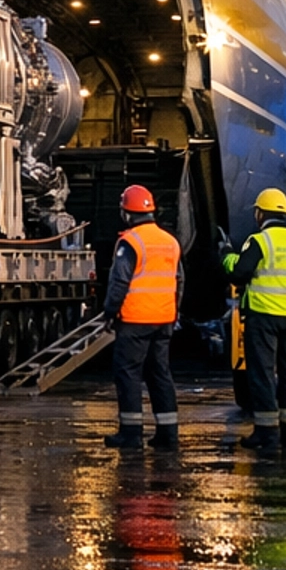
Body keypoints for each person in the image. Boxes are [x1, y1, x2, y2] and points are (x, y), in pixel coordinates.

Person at [224, 187, 286, 454]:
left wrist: (225, 256)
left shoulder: (260, 241)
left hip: (263, 316)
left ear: (260, 213)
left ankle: (266, 433)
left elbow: (240, 273)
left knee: (262, 373)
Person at [102, 184, 184, 451]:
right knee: (160, 375)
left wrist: (109, 312)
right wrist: (172, 311)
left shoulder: (130, 243)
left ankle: (131, 434)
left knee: (128, 375)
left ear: (127, 213)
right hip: (163, 321)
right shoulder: (170, 242)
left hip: (135, 321)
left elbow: (119, 283)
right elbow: (179, 281)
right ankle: (168, 434)